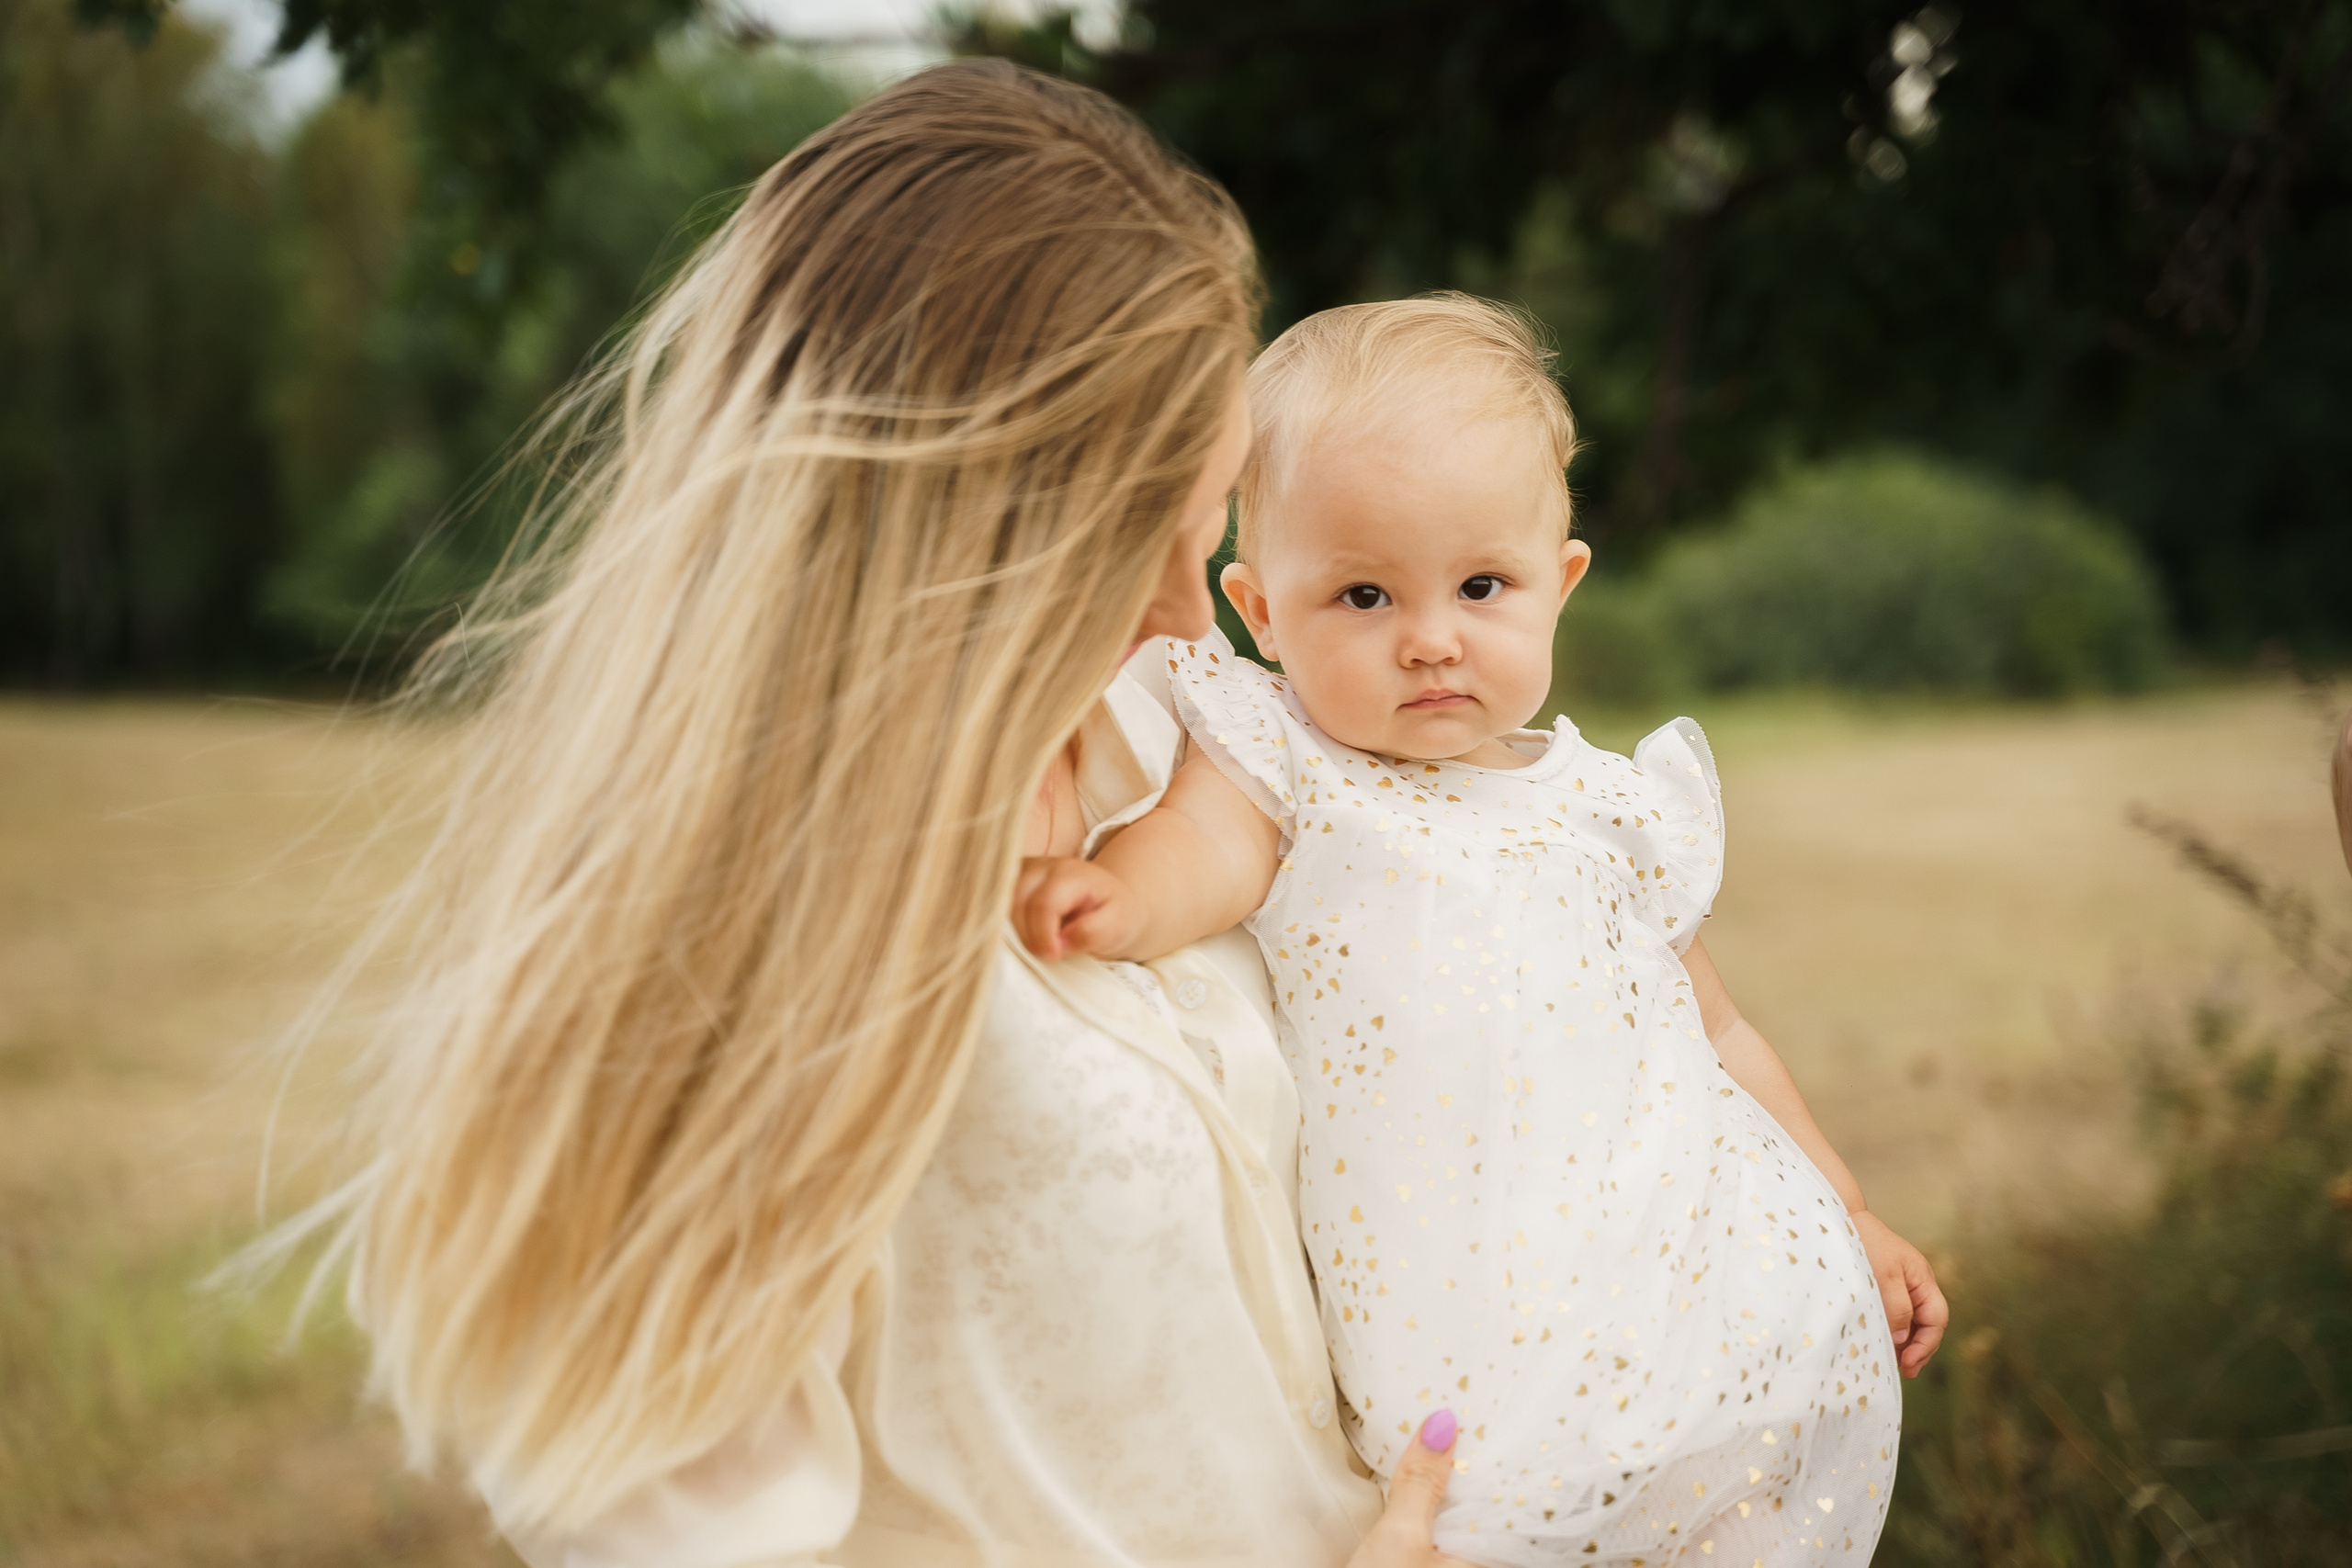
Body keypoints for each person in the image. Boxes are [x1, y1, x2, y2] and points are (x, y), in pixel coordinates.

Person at [297, 61, 1483, 1568]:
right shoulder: (717, 958)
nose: (1198, 625)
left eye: (1208, 534)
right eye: (1137, 552)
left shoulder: (1163, 745)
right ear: (963, 535)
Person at [1014, 296, 1950, 1565]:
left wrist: (1849, 1210)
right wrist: (1122, 897)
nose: (1432, 638)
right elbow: (1207, 850)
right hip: (1469, 1321)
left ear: (1558, 585)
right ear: (1259, 612)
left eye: (1480, 585)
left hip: (1704, 1275)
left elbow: (1718, 1028)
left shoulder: (1610, 809)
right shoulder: (1286, 759)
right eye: (1362, 595)